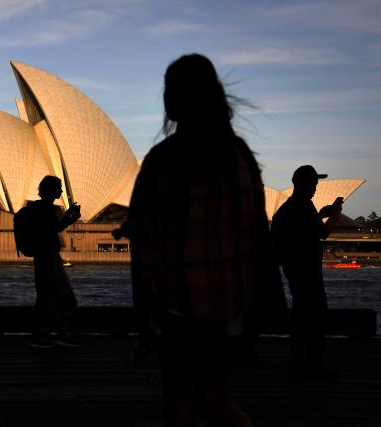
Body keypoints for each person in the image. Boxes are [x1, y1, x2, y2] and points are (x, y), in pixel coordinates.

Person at [128, 54, 271, 427]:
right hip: (232, 305)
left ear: (173, 100)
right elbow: (258, 230)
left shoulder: (161, 160)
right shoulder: (239, 155)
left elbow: (145, 245)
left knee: (179, 406)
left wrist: (144, 313)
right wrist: (259, 303)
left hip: (178, 307)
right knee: (216, 400)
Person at [270, 165, 342, 378]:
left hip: (295, 271)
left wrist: (321, 214)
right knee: (316, 316)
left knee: (302, 316)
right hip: (307, 272)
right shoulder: (303, 206)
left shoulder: (290, 207)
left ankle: (298, 364)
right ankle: (312, 365)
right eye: (312, 184)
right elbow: (322, 234)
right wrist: (335, 215)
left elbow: (304, 230)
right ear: (301, 185)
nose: (315, 188)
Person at [28, 175, 81, 348]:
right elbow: (52, 230)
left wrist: (66, 218)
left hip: (44, 257)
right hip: (48, 257)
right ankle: (53, 335)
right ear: (50, 190)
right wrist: (68, 219)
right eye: (59, 188)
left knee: (48, 296)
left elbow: (52, 228)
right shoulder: (44, 209)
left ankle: (46, 335)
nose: (61, 191)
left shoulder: (39, 208)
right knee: (63, 296)